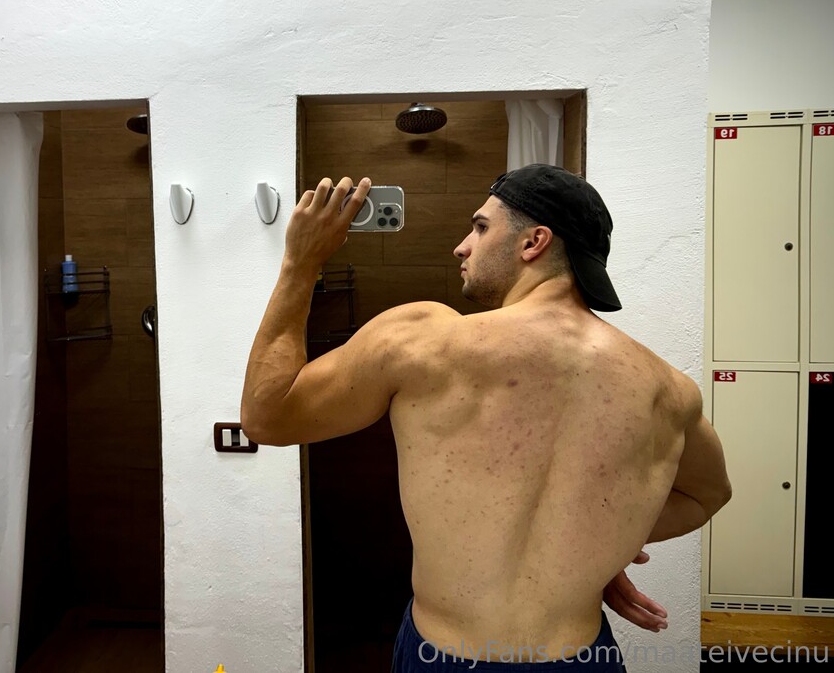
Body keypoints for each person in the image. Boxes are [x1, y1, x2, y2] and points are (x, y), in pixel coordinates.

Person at [241, 165, 732, 671]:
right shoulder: (668, 389)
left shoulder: (423, 340)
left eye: (480, 227)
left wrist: (300, 262)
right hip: (583, 658)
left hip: (444, 658)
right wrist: (596, 548)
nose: (462, 246)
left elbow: (267, 416)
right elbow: (709, 495)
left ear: (533, 242)